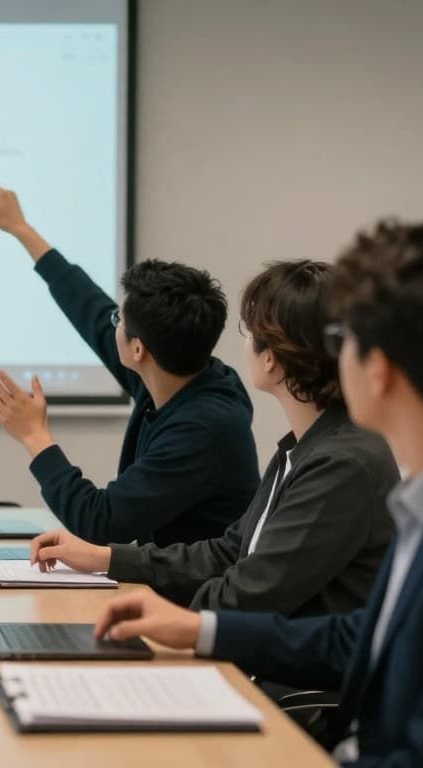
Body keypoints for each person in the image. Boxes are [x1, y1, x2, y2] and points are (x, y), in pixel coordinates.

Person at [92, 219, 423, 765]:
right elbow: (354, 639)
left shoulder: (395, 488)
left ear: (381, 370)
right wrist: (196, 627)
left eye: (343, 341)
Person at [30, 260, 397, 616]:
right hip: (254, 651)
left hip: (287, 675)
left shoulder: (340, 463)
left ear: (270, 358)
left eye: (249, 330)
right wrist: (108, 559)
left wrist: (158, 613)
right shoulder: (307, 446)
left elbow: (254, 592)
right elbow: (230, 551)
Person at [0, 163, 259, 546]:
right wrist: (21, 229)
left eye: (118, 321)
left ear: (138, 349)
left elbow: (101, 520)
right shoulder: (179, 372)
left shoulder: (203, 428)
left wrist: (34, 434)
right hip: (160, 580)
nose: (112, 326)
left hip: (192, 598)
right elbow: (87, 306)